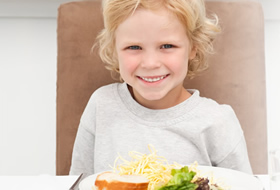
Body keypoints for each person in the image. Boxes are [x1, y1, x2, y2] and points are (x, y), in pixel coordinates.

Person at [69, 0, 253, 176]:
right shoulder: (101, 105)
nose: (150, 63)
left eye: (167, 46)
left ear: (193, 48)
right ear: (114, 49)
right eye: (134, 47)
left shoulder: (218, 122)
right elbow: (77, 183)